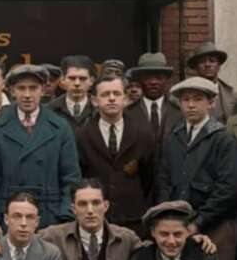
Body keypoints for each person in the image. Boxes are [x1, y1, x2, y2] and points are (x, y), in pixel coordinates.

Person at [0, 64, 81, 251]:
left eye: (33, 88)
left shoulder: (60, 128)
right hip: (11, 216)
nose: (27, 95)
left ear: (43, 90)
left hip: (50, 217)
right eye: (21, 88)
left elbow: (71, 178)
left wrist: (66, 218)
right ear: (11, 91)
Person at [155, 76, 237, 260]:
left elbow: (230, 188)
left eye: (198, 99)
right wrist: (169, 216)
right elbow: (163, 180)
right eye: (186, 99)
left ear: (211, 103)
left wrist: (199, 221)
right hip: (180, 225)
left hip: (217, 225)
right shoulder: (174, 137)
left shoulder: (223, 139)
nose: (191, 105)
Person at [75, 73, 155, 232]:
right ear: (94, 101)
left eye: (116, 94)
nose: (111, 98)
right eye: (105, 94)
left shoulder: (143, 134)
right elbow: (80, 176)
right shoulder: (82, 136)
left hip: (133, 218)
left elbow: (150, 177)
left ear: (125, 99)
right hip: (95, 219)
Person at [125, 52, 183, 144]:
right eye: (147, 77)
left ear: (166, 79)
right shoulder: (127, 113)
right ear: (140, 80)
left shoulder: (179, 111)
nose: (153, 82)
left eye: (159, 77)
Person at [185, 43, 237, 123]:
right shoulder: (183, 97)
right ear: (196, 67)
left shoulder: (235, 97)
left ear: (219, 66)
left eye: (212, 61)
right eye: (202, 61)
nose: (207, 64)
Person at [50, 55, 97, 130]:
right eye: (72, 78)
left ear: (92, 80)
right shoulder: (49, 110)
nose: (77, 83)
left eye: (83, 79)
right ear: (62, 79)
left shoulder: (100, 109)